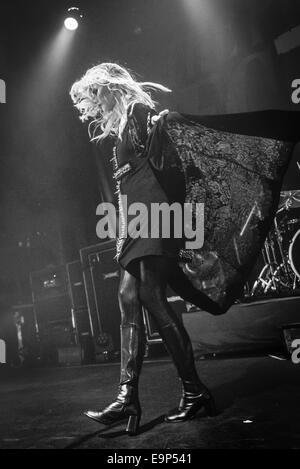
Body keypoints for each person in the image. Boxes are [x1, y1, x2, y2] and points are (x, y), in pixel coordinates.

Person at [70, 62, 298, 435]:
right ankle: (128, 396)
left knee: (151, 297)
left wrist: (166, 127)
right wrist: (124, 233)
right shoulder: (122, 126)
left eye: (93, 96)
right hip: (138, 219)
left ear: (108, 87)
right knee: (127, 298)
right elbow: (131, 183)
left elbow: (169, 170)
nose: (92, 107)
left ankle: (194, 392)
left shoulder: (140, 113)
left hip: (157, 214)